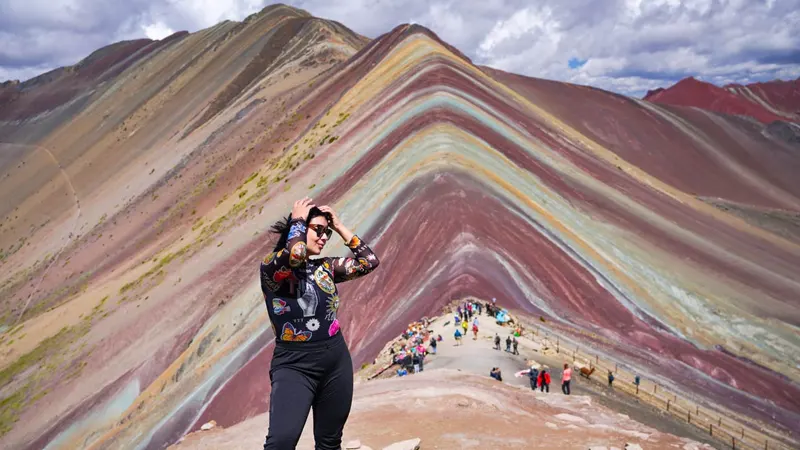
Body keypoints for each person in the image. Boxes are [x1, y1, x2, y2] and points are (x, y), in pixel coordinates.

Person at [260, 197, 380, 450]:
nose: (324, 237)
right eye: (318, 230)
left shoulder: (325, 267)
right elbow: (295, 254)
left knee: (329, 442)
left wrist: (339, 226)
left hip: (335, 361)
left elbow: (369, 262)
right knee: (281, 442)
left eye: (327, 232)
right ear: (298, 230)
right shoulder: (271, 268)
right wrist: (298, 219)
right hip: (294, 365)